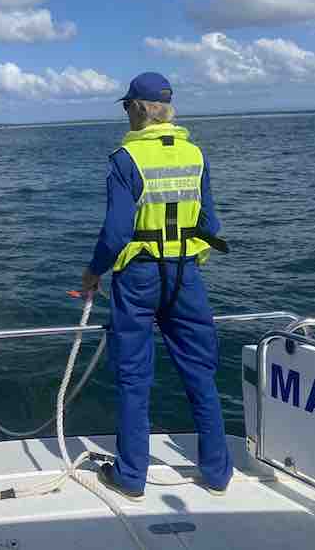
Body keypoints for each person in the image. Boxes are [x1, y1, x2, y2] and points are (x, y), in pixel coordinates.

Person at [82, 72, 233, 500]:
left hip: (138, 279)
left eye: (128, 106)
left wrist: (93, 272)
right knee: (201, 373)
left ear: (141, 108)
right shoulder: (195, 154)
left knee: (133, 378)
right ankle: (218, 474)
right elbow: (210, 224)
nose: (128, 113)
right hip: (186, 276)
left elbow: (115, 235)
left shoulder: (125, 160)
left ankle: (131, 477)